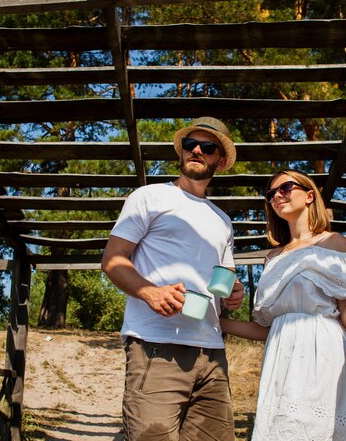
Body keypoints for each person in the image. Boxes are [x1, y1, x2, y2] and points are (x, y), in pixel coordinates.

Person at [220, 169, 346, 441]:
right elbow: (269, 329)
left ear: (309, 195)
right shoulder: (271, 258)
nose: (276, 196)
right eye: (271, 194)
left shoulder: (334, 242)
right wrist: (219, 322)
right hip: (280, 359)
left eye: (285, 188)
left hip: (324, 356)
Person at [101, 117, 245, 441]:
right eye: (190, 145)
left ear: (219, 161)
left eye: (207, 147)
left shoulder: (223, 221)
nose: (196, 150)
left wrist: (235, 294)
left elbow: (226, 279)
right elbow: (112, 260)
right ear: (181, 153)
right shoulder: (149, 197)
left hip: (212, 352)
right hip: (156, 344)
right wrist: (150, 292)